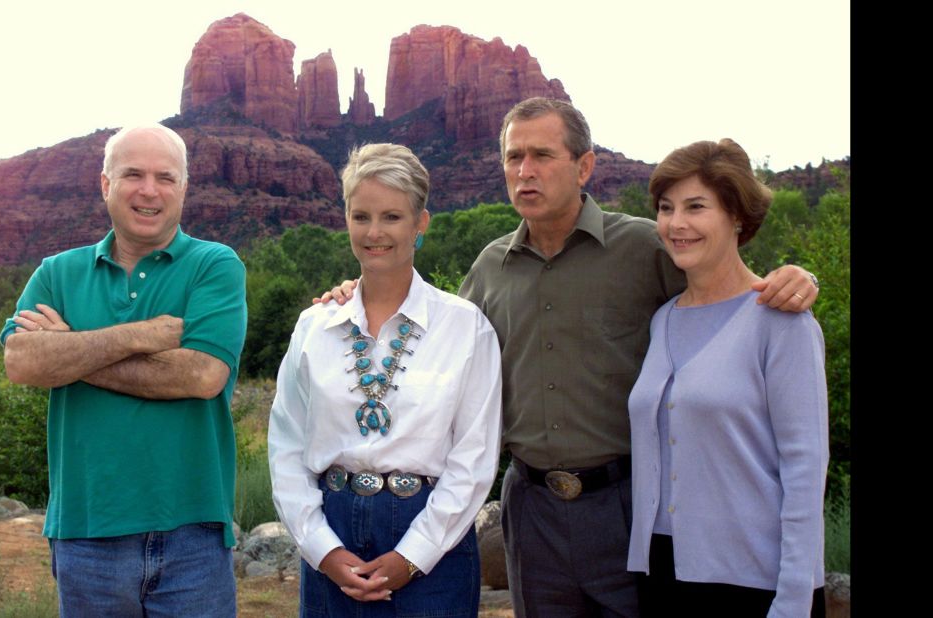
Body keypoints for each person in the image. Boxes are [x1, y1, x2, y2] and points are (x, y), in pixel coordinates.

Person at [318, 98, 821, 617]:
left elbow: (728, 293)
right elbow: (428, 340)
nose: (525, 171)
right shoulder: (491, 267)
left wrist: (797, 278)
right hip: (531, 510)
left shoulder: (646, 248)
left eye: (542, 155)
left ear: (584, 166)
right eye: (514, 158)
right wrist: (359, 292)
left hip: (627, 509)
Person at [0, 123, 247, 616]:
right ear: (106, 184)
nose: (149, 190)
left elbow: (200, 376)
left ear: (184, 188)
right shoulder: (57, 271)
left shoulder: (215, 265)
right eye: (133, 174)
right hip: (85, 533)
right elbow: (21, 361)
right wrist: (140, 335)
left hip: (192, 534)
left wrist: (68, 352)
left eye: (165, 177)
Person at [268, 143, 503, 617]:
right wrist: (323, 549)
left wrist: (412, 555)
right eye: (361, 216)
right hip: (332, 537)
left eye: (392, 217)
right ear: (346, 219)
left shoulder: (465, 327)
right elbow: (287, 445)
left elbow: (474, 456)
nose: (375, 233)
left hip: (432, 542)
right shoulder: (315, 327)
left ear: (421, 223)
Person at [626, 138, 828, 617]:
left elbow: (805, 470)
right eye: (666, 207)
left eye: (697, 207)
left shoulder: (782, 322)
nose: (677, 224)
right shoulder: (663, 320)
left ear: (737, 215)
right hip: (660, 573)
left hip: (754, 582)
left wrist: (795, 599)